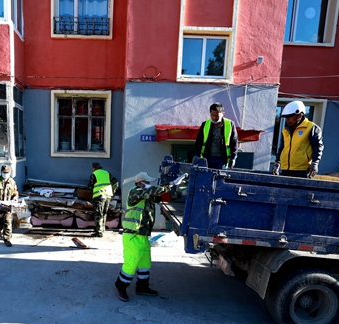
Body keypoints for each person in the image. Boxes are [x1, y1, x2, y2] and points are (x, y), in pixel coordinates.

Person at [114, 172, 180, 302]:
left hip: (143, 236)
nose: (149, 184)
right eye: (147, 182)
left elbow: (164, 196)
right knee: (131, 263)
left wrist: (183, 193)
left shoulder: (148, 196)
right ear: (140, 183)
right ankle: (121, 287)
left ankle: (142, 287)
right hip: (133, 235)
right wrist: (171, 184)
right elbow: (152, 191)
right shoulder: (135, 192)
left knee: (145, 264)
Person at [272, 100, 324, 178]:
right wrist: (277, 162)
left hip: (302, 170)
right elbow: (282, 147)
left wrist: (314, 163)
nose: (287, 119)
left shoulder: (311, 128)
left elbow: (318, 146)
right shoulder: (285, 130)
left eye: (290, 117)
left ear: (299, 115)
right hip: (285, 169)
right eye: (286, 117)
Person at [193, 102, 239, 169]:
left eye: (217, 115)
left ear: (223, 114)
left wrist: (233, 157)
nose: (214, 117)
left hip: (222, 159)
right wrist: (196, 155)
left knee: (220, 175)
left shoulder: (230, 124)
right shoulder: (205, 124)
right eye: (212, 115)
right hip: (207, 158)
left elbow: (234, 141)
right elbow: (199, 141)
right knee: (206, 175)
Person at [87, 162, 118, 238]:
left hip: (99, 196)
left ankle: (99, 232)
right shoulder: (107, 173)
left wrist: (93, 192)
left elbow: (90, 186)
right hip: (108, 195)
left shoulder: (94, 174)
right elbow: (115, 182)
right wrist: (113, 191)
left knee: (98, 213)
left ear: (94, 168)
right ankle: (102, 229)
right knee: (104, 213)